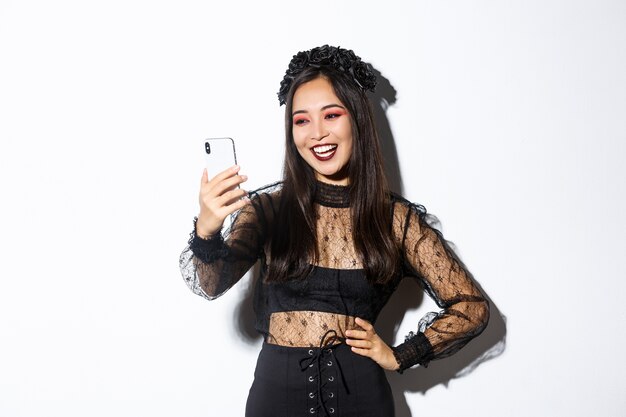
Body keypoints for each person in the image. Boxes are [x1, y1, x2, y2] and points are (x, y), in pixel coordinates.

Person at [179, 45, 490, 417]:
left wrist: (400, 355)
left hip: (362, 400)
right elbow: (210, 283)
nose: (317, 134)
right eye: (302, 120)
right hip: (275, 401)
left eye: (331, 114)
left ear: (356, 119)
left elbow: (471, 307)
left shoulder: (395, 220)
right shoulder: (269, 209)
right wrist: (207, 231)